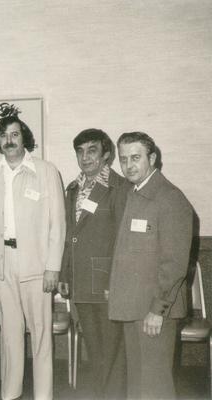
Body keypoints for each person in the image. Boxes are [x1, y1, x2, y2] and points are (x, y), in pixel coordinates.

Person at [0, 115, 65, 400]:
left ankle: (43, 396)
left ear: (23, 138)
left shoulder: (45, 171)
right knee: (10, 337)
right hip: (2, 265)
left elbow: (58, 225)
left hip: (37, 267)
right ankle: (10, 394)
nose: (9, 140)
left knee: (40, 337)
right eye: (4, 135)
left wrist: (53, 267)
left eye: (14, 134)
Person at [108, 131, 193, 399]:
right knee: (138, 382)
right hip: (134, 307)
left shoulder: (169, 198)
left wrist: (158, 310)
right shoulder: (136, 193)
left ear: (152, 158)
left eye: (136, 157)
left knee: (155, 385)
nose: (128, 165)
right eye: (123, 159)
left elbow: (175, 263)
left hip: (154, 311)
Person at [59, 128, 126, 398]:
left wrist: (115, 281)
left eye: (92, 150)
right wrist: (65, 273)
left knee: (112, 351)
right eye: (80, 151)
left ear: (106, 155)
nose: (85, 157)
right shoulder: (73, 188)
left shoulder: (118, 187)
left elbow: (125, 240)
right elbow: (69, 235)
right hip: (80, 281)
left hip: (107, 281)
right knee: (95, 350)